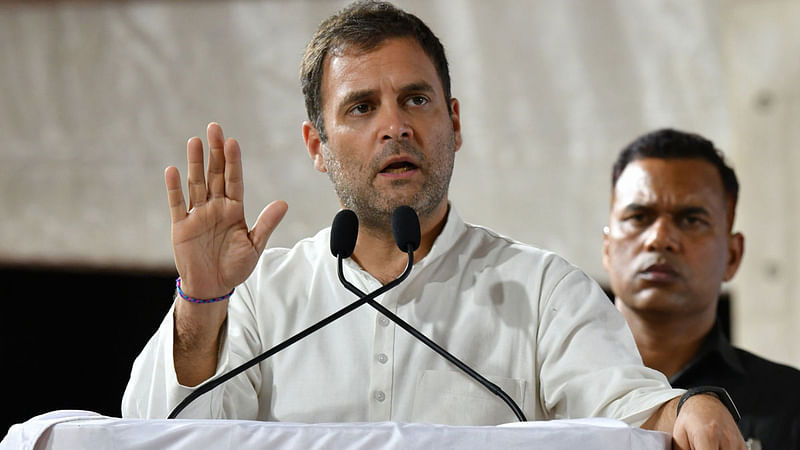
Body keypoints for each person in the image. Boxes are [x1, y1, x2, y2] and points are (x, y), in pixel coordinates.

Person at [123, 2, 744, 447]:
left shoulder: (542, 289)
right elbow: (153, 437)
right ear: (317, 145)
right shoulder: (261, 297)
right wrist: (202, 303)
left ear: (454, 121)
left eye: (415, 100)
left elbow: (628, 407)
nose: (395, 126)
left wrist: (691, 407)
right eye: (362, 107)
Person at [602, 128, 800, 449]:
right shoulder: (546, 392)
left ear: (732, 256)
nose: (659, 239)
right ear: (607, 248)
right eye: (639, 217)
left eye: (691, 220)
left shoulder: (790, 402)